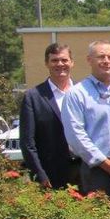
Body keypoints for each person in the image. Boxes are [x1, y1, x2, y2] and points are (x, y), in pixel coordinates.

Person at [62, 41, 110, 195]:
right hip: (96, 169)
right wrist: (105, 163)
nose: (106, 61)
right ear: (89, 60)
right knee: (101, 215)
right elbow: (75, 135)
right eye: (101, 56)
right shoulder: (76, 94)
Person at [19, 43, 80, 188]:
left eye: (64, 60)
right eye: (54, 60)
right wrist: (40, 174)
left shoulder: (83, 92)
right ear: (47, 63)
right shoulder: (33, 97)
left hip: (85, 170)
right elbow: (27, 143)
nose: (60, 64)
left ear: (72, 62)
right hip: (52, 174)